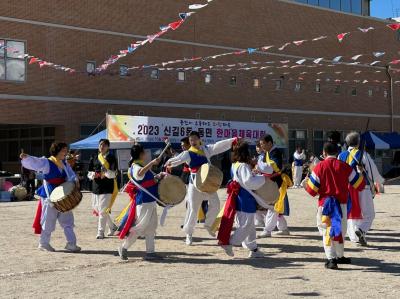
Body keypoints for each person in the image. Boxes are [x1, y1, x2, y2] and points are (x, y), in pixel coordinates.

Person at [166, 131, 237, 245]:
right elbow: (176, 160)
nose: (193, 142)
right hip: (194, 185)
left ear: (199, 139)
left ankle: (208, 224)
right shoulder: (187, 154)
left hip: (207, 183)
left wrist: (233, 140)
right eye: (191, 140)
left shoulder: (206, 149)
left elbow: (218, 146)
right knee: (193, 209)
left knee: (216, 204)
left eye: (194, 139)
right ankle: (189, 234)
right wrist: (168, 164)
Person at [305, 142, 365, 269]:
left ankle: (331, 259)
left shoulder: (319, 167)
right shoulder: (345, 167)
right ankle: (339, 255)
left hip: (325, 205)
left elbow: (311, 191)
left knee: (327, 232)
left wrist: (307, 179)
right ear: (337, 153)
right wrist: (360, 172)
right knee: (339, 231)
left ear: (324, 153)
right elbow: (360, 185)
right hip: (342, 205)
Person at [20, 142, 81, 252]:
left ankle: (71, 243)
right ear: (57, 151)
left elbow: (71, 175)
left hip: (64, 195)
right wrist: (27, 158)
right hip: (50, 195)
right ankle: (43, 243)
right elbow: (36, 162)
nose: (65, 152)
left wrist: (75, 181)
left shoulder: (65, 163)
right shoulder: (47, 162)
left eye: (66, 150)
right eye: (63, 150)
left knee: (67, 221)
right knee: (48, 220)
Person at [218, 140, 266, 258]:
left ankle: (253, 249)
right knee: (246, 224)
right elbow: (249, 182)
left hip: (238, 196)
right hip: (245, 198)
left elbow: (243, 179)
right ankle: (230, 243)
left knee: (248, 226)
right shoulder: (243, 165)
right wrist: (262, 178)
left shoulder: (235, 165)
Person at [338, 132, 384, 246]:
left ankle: (354, 237)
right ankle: (362, 230)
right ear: (358, 142)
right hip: (362, 187)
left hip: (347, 188)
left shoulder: (341, 155)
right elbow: (372, 172)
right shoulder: (363, 154)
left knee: (350, 213)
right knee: (369, 214)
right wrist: (379, 182)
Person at [118, 144, 162, 261]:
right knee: (140, 227)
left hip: (150, 200)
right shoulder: (135, 166)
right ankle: (124, 247)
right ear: (141, 154)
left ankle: (150, 252)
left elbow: (149, 180)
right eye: (144, 152)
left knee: (151, 227)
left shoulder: (141, 165)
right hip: (143, 201)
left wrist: (158, 177)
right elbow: (139, 174)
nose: (146, 154)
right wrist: (152, 163)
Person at [257, 134, 292, 238]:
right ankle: (283, 228)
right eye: (261, 144)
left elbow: (273, 167)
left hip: (279, 183)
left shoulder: (275, 152)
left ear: (270, 143)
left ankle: (267, 230)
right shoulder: (268, 153)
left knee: (274, 207)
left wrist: (259, 164)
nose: (262, 146)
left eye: (263, 144)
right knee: (276, 207)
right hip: (274, 182)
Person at [87, 139, 118, 239]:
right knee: (98, 209)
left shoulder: (112, 158)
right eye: (100, 145)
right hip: (96, 186)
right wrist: (93, 175)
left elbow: (113, 174)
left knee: (103, 210)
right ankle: (112, 227)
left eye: (104, 145)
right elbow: (89, 172)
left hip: (107, 187)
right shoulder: (94, 156)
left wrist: (106, 172)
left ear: (108, 147)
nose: (102, 147)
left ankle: (100, 232)